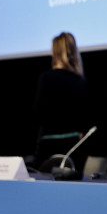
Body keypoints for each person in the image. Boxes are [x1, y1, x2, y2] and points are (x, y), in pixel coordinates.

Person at [34, 31, 89, 161]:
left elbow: (38, 112)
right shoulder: (80, 81)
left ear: (55, 52)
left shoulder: (46, 78)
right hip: (73, 146)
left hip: (48, 145)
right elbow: (85, 116)